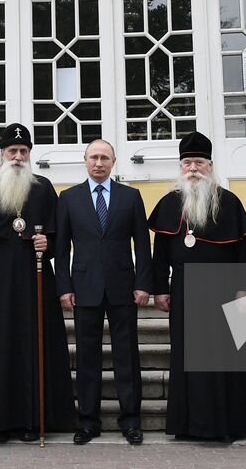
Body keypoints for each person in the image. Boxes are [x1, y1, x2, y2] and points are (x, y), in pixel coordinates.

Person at [0, 123, 74, 442]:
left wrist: (47, 243)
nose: (18, 157)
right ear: (2, 154)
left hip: (34, 278)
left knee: (32, 346)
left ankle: (30, 421)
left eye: (24, 151)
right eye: (12, 151)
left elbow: (58, 235)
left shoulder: (43, 187)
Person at [148, 131, 246, 441]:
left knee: (227, 355)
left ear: (210, 166)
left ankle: (227, 424)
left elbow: (244, 250)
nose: (193, 169)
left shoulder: (229, 202)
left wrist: (245, 289)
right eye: (187, 163)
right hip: (184, 290)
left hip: (225, 288)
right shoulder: (169, 204)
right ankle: (190, 424)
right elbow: (160, 253)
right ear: (180, 167)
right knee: (187, 356)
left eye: (199, 163)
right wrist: (160, 289)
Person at [54, 139, 151, 445]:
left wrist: (143, 283)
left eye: (104, 158)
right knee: (86, 358)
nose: (99, 163)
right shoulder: (68, 198)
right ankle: (87, 422)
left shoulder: (131, 196)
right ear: (85, 161)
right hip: (84, 288)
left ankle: (131, 421)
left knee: (127, 356)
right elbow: (61, 248)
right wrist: (64, 287)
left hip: (123, 287)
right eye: (94, 157)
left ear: (113, 162)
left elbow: (143, 244)